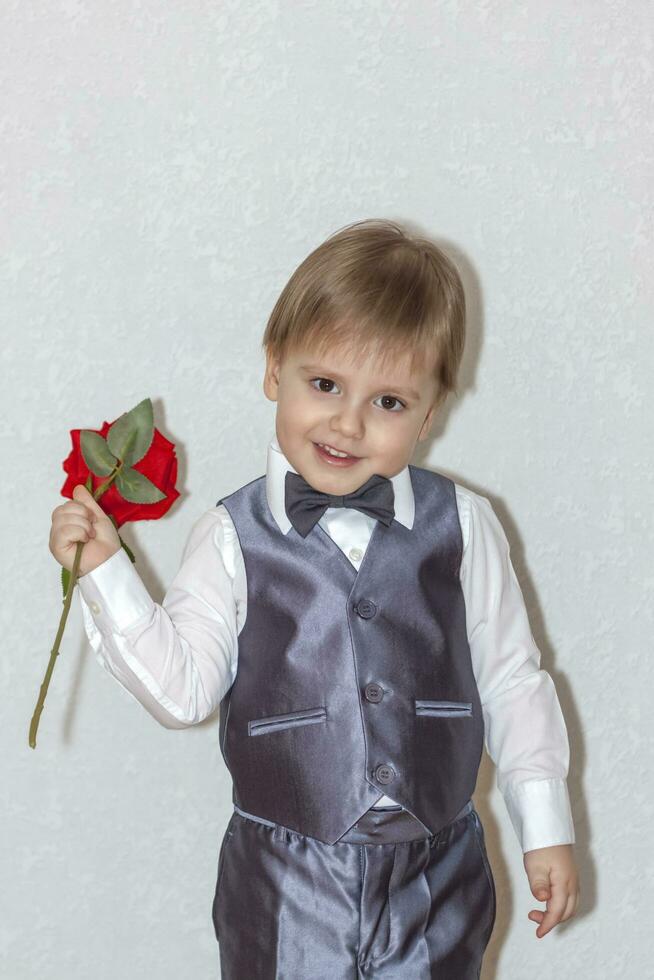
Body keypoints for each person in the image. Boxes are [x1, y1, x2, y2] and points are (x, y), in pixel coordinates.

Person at [49, 218, 579, 978]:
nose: (348, 422)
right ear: (275, 370)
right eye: (325, 384)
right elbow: (183, 691)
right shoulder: (232, 535)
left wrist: (544, 824)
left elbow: (512, 679)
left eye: (390, 402)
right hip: (281, 879)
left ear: (429, 414)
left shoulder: (463, 525)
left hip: (438, 875)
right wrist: (105, 569)